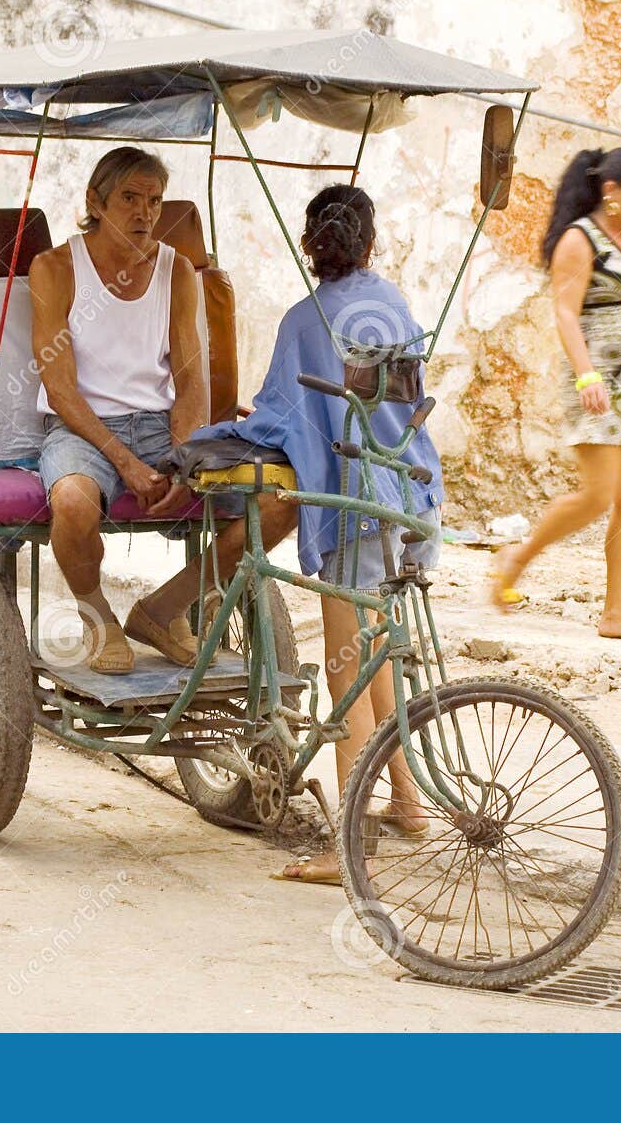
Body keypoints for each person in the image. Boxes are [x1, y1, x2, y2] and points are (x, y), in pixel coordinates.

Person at [136, 184, 442, 884]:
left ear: (312, 248)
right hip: (408, 497)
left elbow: (280, 422)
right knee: (377, 652)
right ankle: (408, 798)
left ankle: (349, 851)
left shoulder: (305, 320)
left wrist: (224, 433)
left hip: (351, 504)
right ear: (371, 245)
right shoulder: (392, 305)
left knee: (345, 678)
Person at [30, 147, 206, 675]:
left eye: (154, 200)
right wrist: (126, 463)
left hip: (159, 427)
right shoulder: (55, 268)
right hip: (82, 429)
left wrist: (185, 457)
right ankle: (101, 617)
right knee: (73, 503)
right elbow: (59, 390)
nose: (144, 213)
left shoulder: (177, 271)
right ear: (95, 201)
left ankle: (163, 609)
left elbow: (192, 378)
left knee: (271, 502)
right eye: (130, 197)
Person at [491, 146, 621, 644]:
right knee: (598, 495)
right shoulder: (580, 239)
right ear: (610, 190)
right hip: (601, 384)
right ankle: (517, 558)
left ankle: (617, 615)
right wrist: (586, 375)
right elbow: (566, 312)